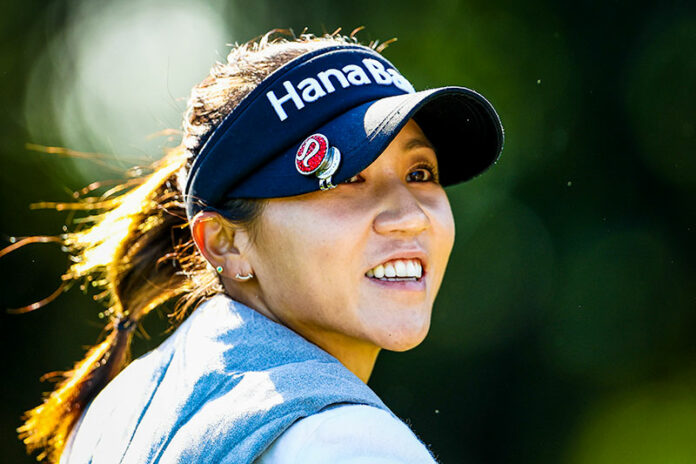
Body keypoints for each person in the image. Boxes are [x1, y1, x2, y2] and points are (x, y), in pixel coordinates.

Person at [13, 29, 503, 463]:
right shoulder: (347, 443)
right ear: (225, 244)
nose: (410, 216)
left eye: (420, 174)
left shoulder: (115, 410)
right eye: (346, 178)